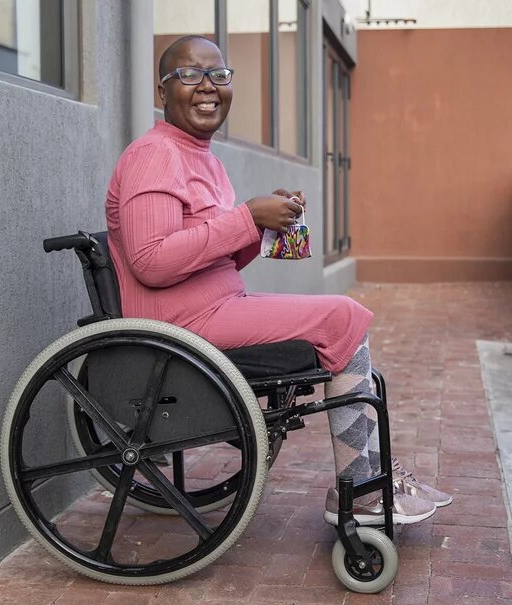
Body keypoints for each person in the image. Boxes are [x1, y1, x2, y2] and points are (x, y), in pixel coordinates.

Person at [105, 35, 451, 525]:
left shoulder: (202, 157)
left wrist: (261, 224)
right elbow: (152, 260)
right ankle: (361, 488)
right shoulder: (154, 156)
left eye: (219, 76)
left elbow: (209, 257)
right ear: (163, 92)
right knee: (342, 316)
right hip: (178, 326)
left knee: (338, 319)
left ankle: (370, 468)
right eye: (190, 75)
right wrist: (247, 217)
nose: (208, 87)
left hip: (211, 307)